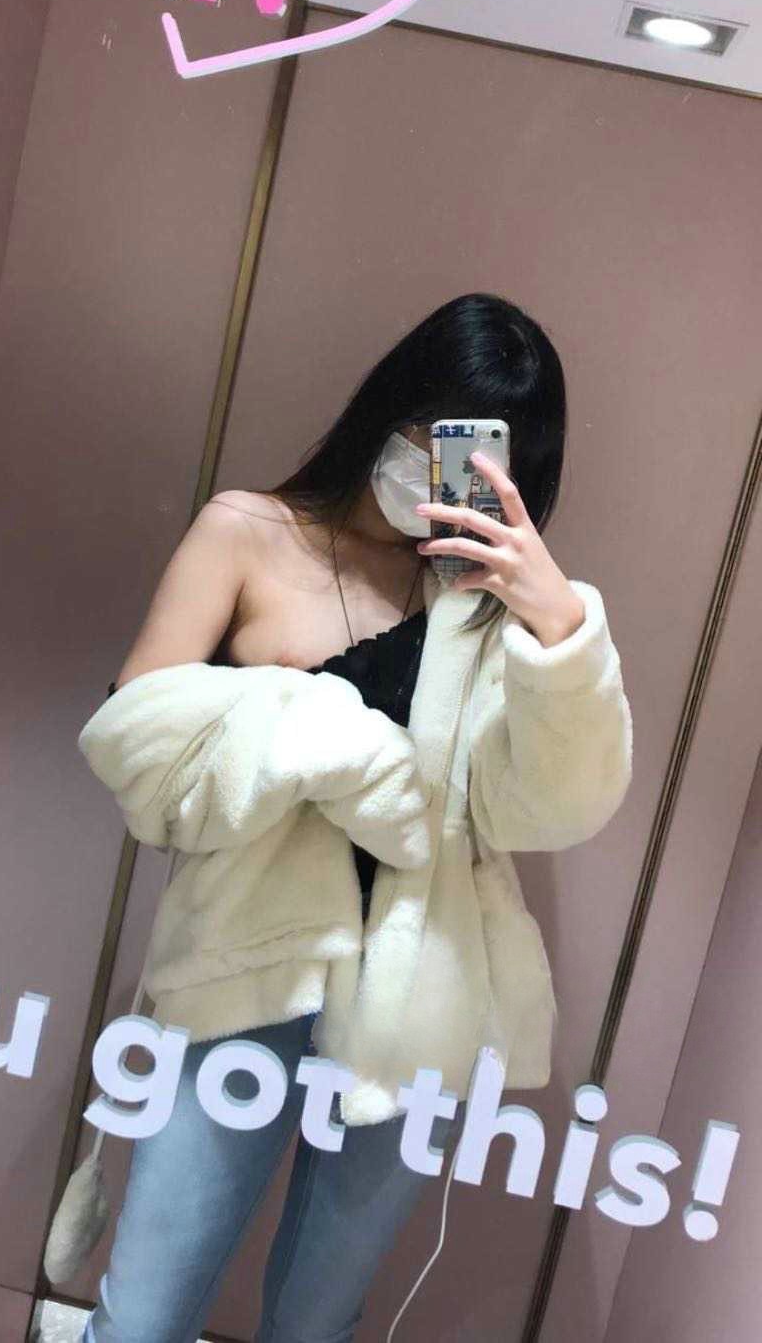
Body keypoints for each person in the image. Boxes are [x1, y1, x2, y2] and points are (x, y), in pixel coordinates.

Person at [75, 292, 633, 1343]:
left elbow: (555, 808)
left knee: (317, 1325)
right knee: (143, 1313)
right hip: (246, 964)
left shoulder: (487, 606)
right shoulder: (247, 533)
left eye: (484, 452)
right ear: (391, 405)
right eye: (434, 430)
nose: (445, 466)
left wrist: (557, 627)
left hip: (420, 996)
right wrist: (317, 729)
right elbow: (137, 752)